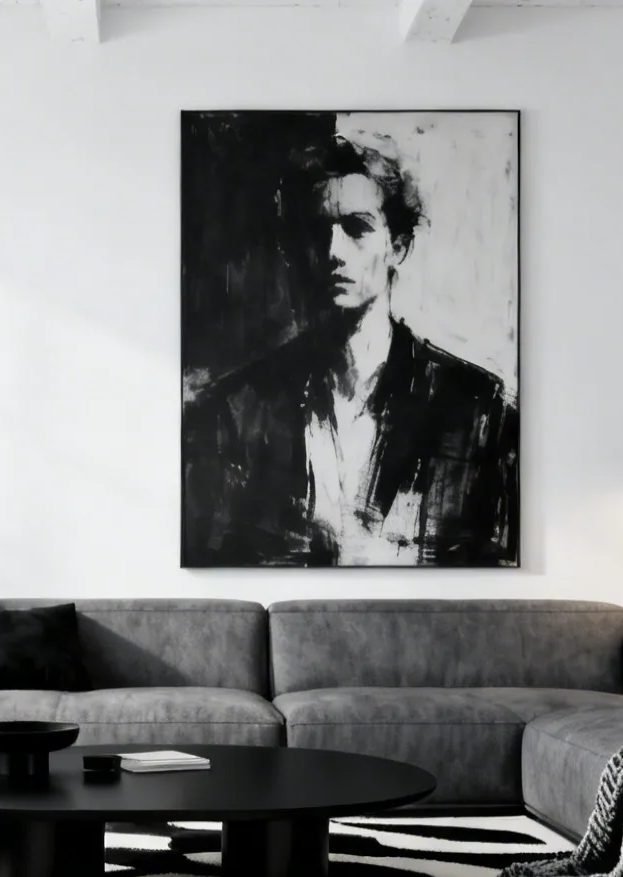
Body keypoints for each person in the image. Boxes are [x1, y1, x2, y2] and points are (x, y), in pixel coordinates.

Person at [182, 135, 519, 567]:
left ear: (397, 246)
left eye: (357, 228)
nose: (332, 252)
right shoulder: (237, 410)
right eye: (315, 232)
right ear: (291, 251)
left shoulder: (475, 409)